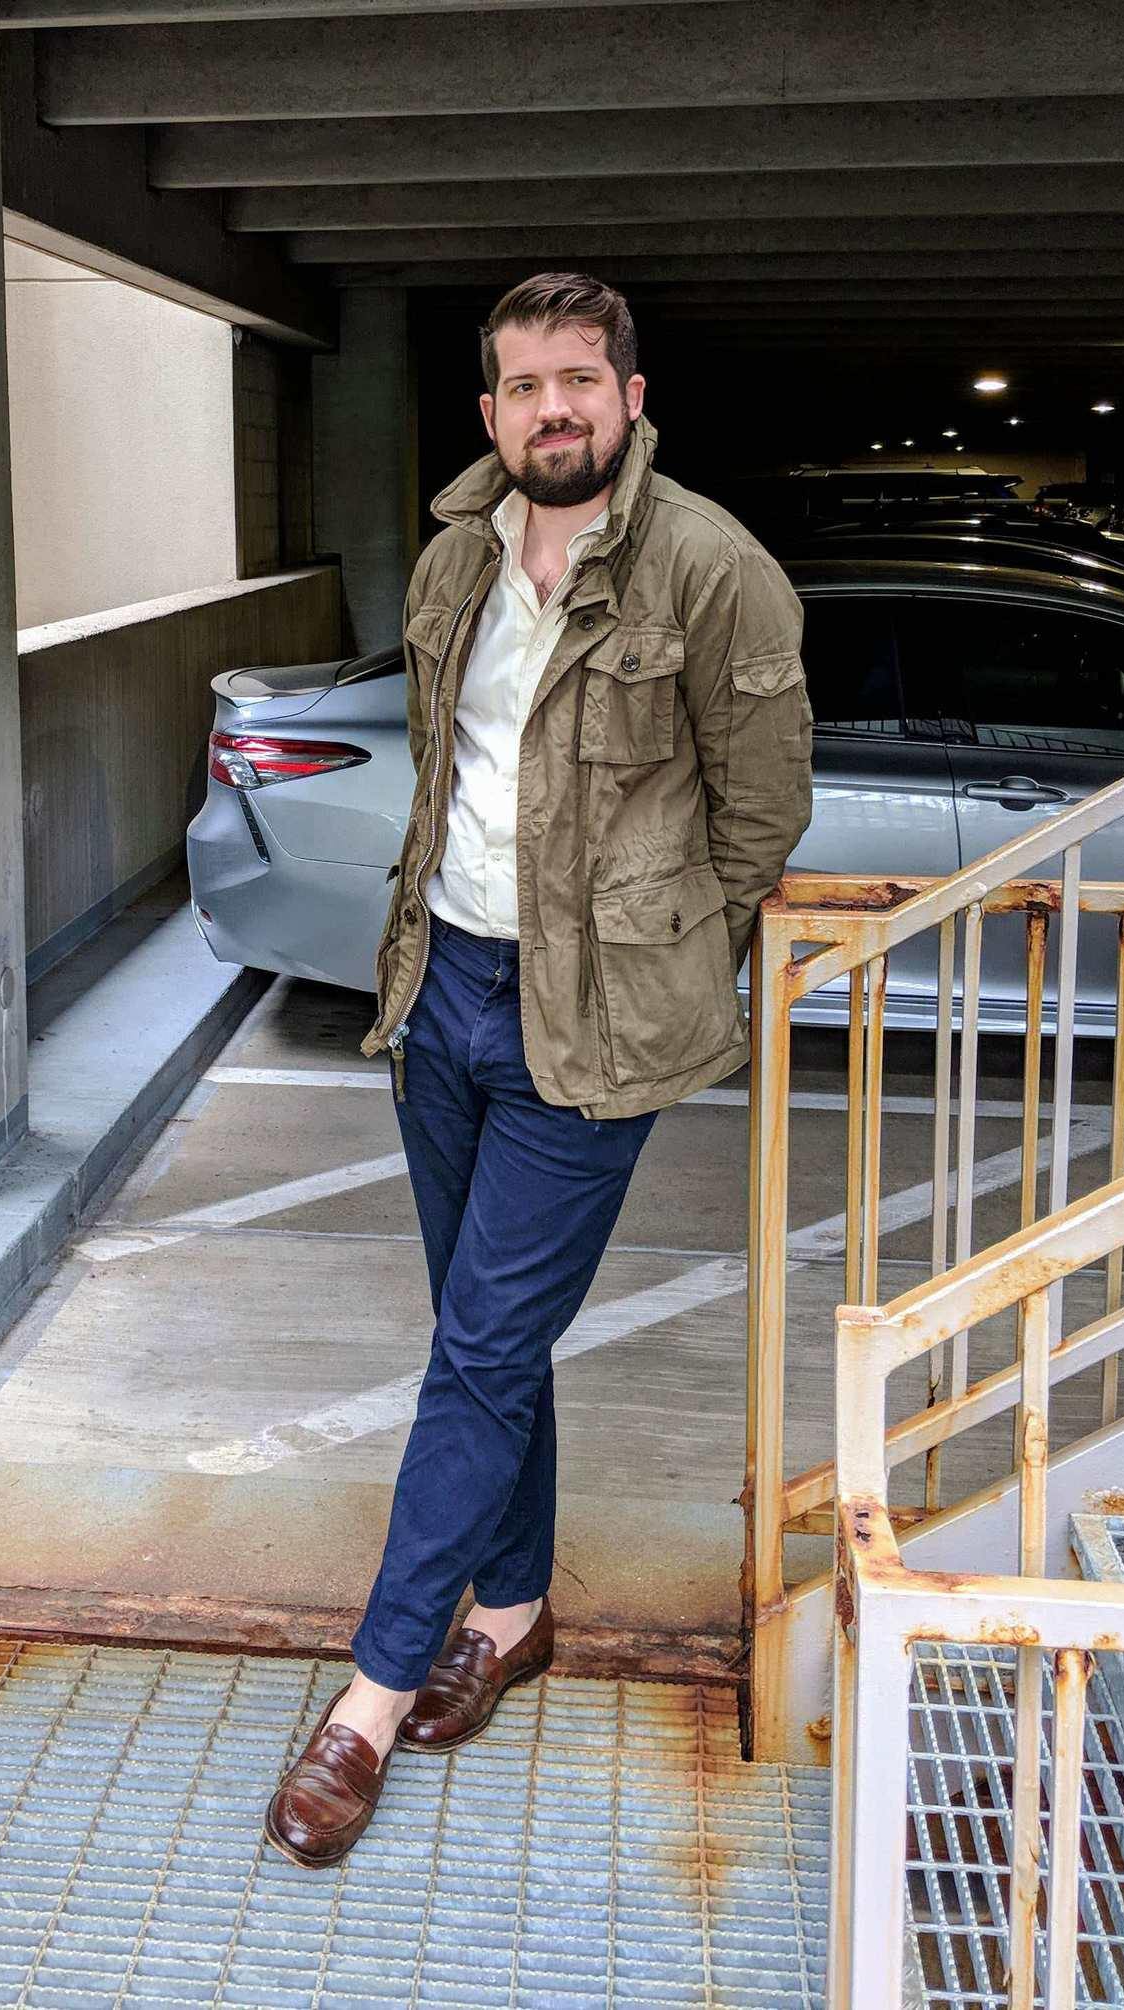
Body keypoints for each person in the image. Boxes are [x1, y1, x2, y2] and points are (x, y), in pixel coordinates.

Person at [264, 272, 812, 1869]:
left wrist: (646, 956)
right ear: (490, 412)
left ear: (631, 399)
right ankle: (509, 1612)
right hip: (443, 990)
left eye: (581, 379)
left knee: (486, 1345)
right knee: (482, 1338)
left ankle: (367, 1698)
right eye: (522, 386)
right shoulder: (455, 559)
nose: (551, 408)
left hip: (593, 1026)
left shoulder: (715, 570)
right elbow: (453, 770)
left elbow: (760, 819)